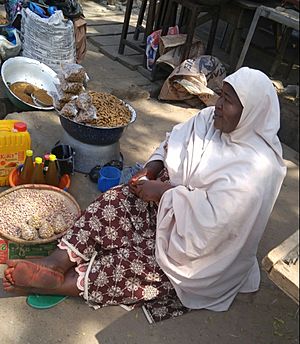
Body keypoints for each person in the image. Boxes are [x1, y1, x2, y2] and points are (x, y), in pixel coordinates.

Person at [3, 67, 286, 322]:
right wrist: (151, 169)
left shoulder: (258, 167)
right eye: (220, 95)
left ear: (252, 113)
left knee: (139, 268)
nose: (218, 106)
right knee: (116, 200)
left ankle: (64, 284)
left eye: (228, 101)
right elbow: (172, 142)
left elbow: (217, 223)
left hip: (198, 251)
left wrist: (163, 192)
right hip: (166, 204)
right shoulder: (207, 120)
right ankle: (57, 262)